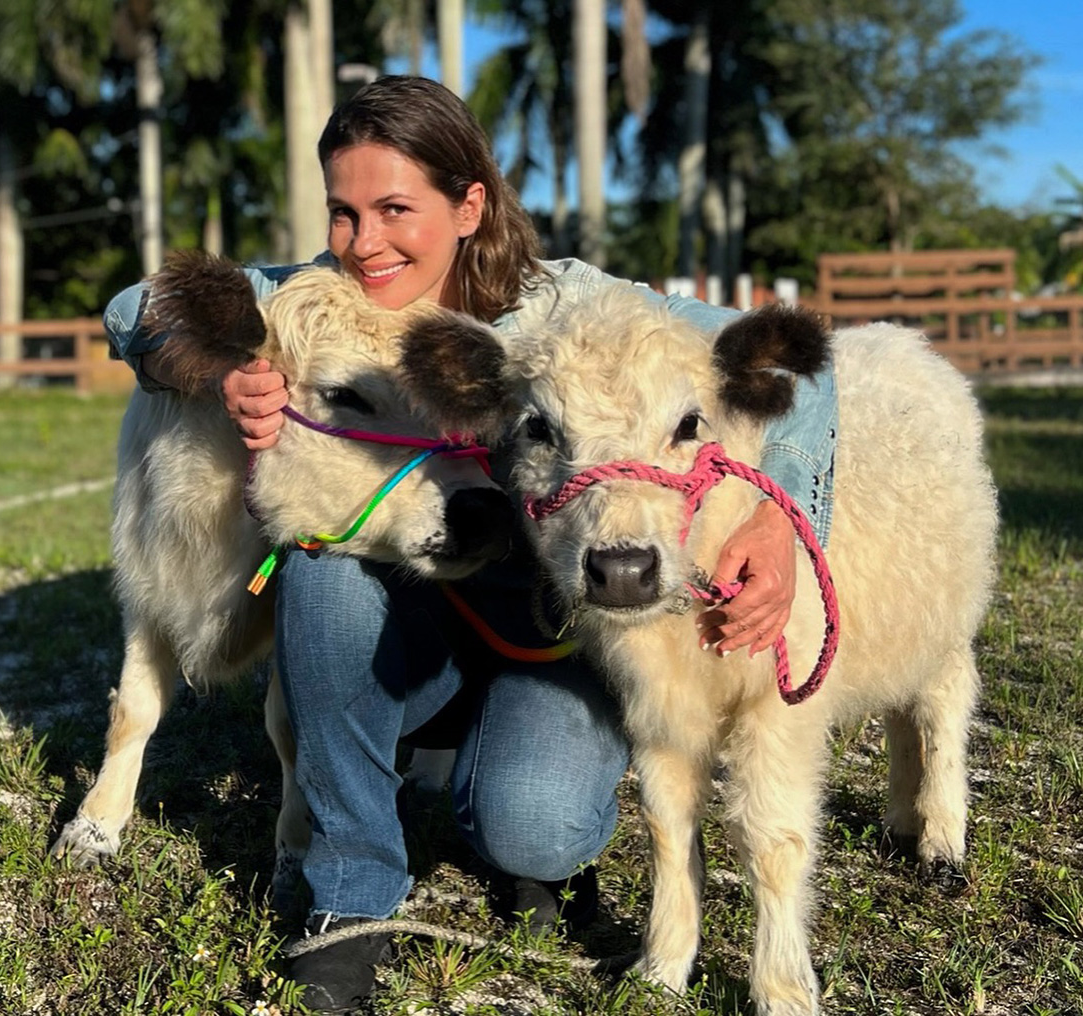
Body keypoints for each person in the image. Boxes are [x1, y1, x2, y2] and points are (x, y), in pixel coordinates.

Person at [104, 75, 837, 1014]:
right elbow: (137, 308)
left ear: (469, 205)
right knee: (324, 566)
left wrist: (785, 519)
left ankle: (491, 795)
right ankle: (349, 898)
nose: (364, 242)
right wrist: (213, 371)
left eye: (395, 209)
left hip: (552, 621)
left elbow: (801, 373)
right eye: (344, 211)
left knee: (536, 828)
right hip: (407, 594)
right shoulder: (317, 298)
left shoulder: (564, 301)